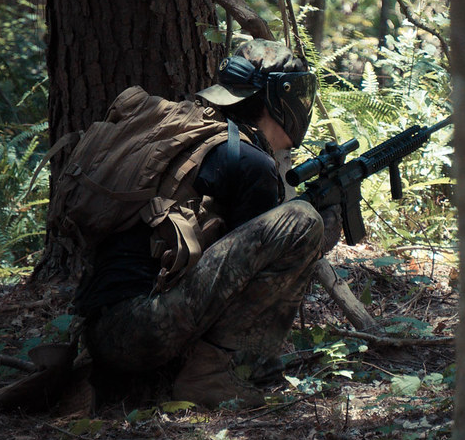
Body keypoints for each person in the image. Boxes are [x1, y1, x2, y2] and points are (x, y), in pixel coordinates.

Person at [74, 39, 341, 409]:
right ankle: (211, 376)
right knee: (301, 221)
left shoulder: (196, 136)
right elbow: (244, 285)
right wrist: (320, 233)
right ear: (276, 100)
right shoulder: (249, 160)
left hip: (99, 335)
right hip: (144, 332)